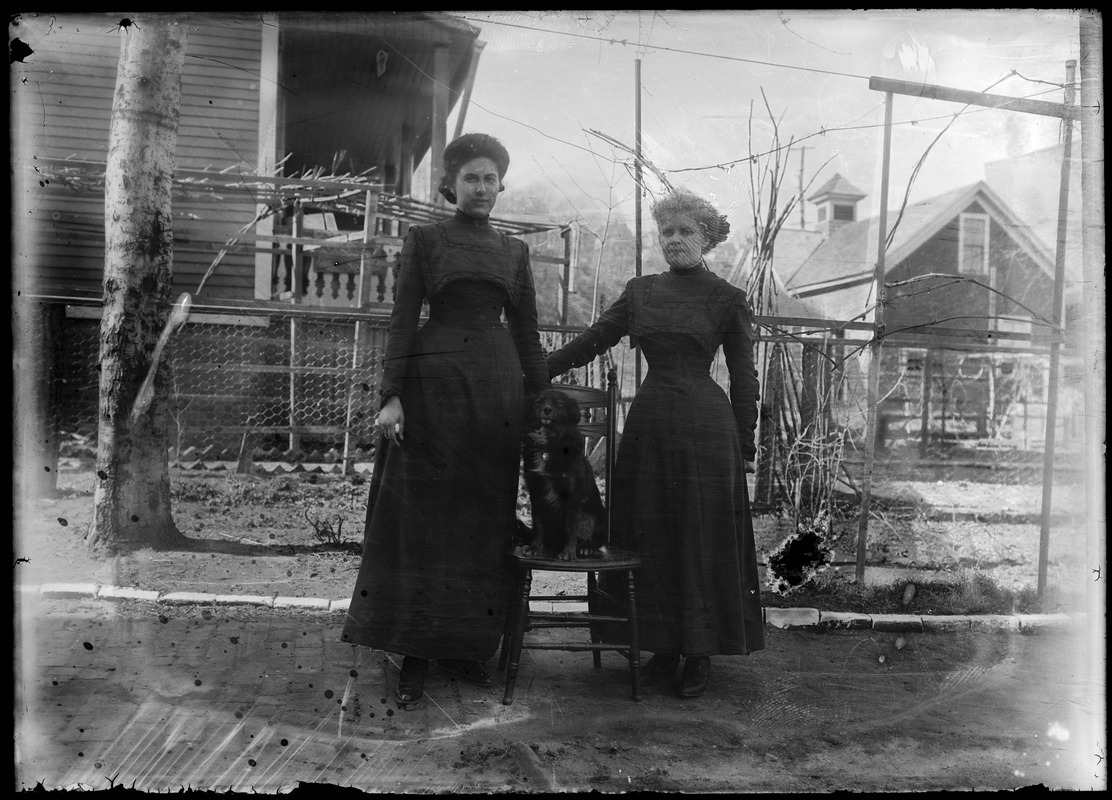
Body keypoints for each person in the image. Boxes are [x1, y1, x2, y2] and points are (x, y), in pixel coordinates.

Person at [341, 133, 549, 705]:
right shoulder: (425, 239)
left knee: (483, 520)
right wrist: (391, 396)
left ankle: (465, 646)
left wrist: (542, 402)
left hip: (495, 396)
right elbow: (403, 320)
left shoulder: (515, 251)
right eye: (472, 178)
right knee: (426, 522)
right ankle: (414, 652)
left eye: (491, 179)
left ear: (500, 185)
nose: (483, 188)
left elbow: (528, 335)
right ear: (452, 184)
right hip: (433, 392)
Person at [545, 188, 764, 698]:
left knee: (698, 537)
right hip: (649, 427)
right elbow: (594, 340)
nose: (674, 240)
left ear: (706, 238)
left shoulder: (727, 299)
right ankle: (662, 649)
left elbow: (744, 377)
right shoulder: (641, 291)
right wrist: (540, 368)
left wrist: (745, 446)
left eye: (686, 231)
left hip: (707, 431)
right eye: (667, 232)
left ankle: (700, 652)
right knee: (653, 536)